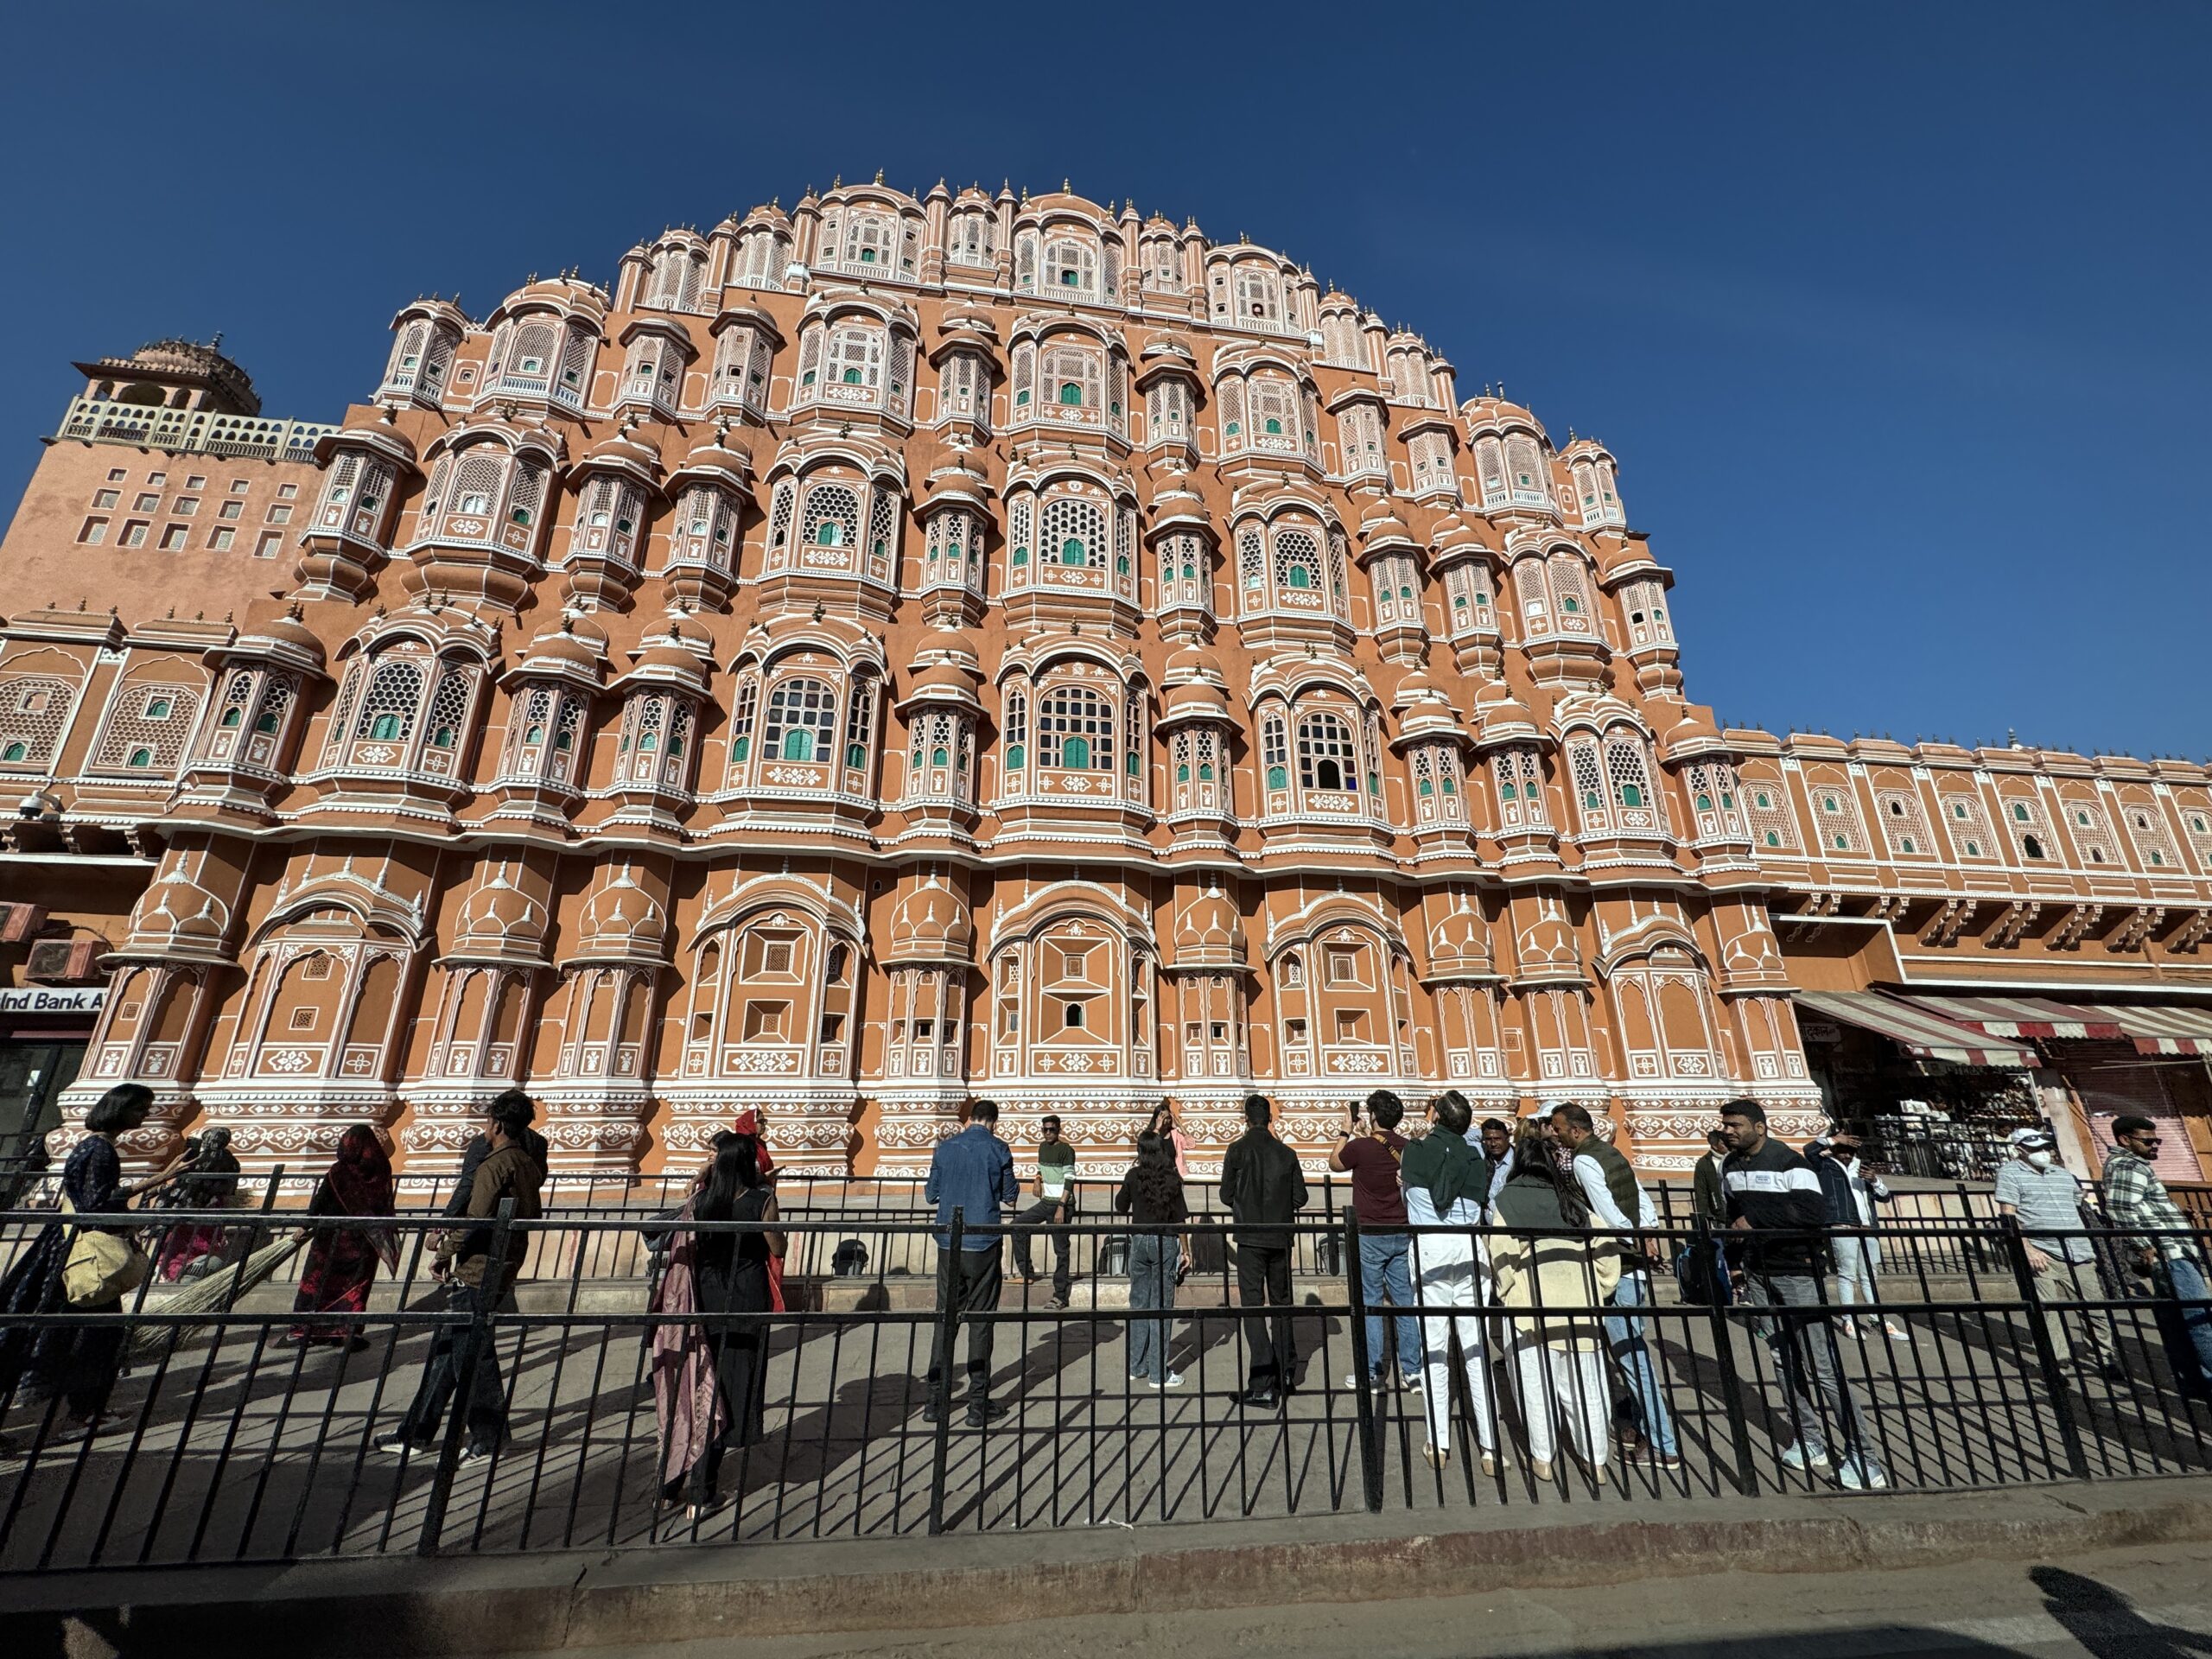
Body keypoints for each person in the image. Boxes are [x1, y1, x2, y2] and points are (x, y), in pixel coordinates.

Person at [1719, 1098, 1885, 1489]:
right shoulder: (1731, 1166)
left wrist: (1755, 1221)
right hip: (1759, 1273)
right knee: (1782, 1360)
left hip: (1797, 1271)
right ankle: (1810, 1439)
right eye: (1725, 1125)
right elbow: (1732, 1215)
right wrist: (1736, 1263)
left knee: (1822, 1366)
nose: (1728, 1131)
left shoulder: (1790, 1163)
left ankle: (1864, 1457)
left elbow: (1813, 1213)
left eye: (1735, 1125)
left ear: (1759, 1127)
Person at [0, 1084, 182, 1437]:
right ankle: (84, 1415)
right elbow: (94, 1206)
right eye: (139, 1109)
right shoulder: (100, 1150)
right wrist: (157, 1180)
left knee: (55, 1333)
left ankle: (85, 1411)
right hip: (80, 1258)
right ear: (119, 1109)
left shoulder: (93, 1146)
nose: (144, 1115)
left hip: (64, 1251)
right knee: (92, 1335)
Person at [378, 1094, 544, 1462]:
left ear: (496, 1124)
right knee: (448, 1350)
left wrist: (443, 1252)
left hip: (478, 1269)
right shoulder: (527, 1162)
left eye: (488, 1122)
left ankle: (490, 1437)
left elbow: (476, 1217)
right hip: (504, 1262)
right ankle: (415, 1432)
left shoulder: (494, 1164)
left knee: (474, 1355)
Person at [652, 1133, 784, 1520]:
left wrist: (700, 1176)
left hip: (703, 1295)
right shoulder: (761, 1200)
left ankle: (668, 1486)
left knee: (694, 1387)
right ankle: (702, 1490)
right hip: (745, 1298)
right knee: (728, 1390)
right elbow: (777, 1247)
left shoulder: (701, 1201)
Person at [1549, 1103, 1680, 1470]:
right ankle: (1639, 1426)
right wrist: (1648, 1233)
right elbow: (1639, 1195)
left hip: (1619, 1266)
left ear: (1576, 1130)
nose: (1556, 1134)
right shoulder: (1613, 1153)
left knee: (1632, 1358)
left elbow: (1607, 1212)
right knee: (1631, 1352)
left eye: (1558, 1128)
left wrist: (1633, 1239)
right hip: (1633, 1264)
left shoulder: (1584, 1161)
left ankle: (1662, 1443)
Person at [1491, 1120, 1615, 1484]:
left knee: (1535, 1384)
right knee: (1585, 1385)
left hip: (1531, 1306)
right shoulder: (1572, 1201)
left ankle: (1543, 1457)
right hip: (1580, 1304)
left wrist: (1508, 1292)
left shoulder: (1508, 1200)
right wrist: (1599, 1288)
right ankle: (1595, 1459)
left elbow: (1502, 1255)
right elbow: (1606, 1248)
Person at [1402, 1090, 1504, 1473]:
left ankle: (1438, 1442)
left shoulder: (1416, 1151)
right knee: (1476, 1348)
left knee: (1434, 1350)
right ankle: (1491, 1447)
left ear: (1437, 1117)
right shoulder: (1476, 1156)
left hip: (1430, 1247)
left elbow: (1410, 1196)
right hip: (1469, 1248)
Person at [1993, 1127, 2120, 1378]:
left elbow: (2077, 1204)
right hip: (2042, 1250)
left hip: (2078, 1249)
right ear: (2020, 1150)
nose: (2043, 1152)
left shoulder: (2062, 1174)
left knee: (2095, 1308)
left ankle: (2105, 1357)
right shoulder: (2009, 1173)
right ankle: (2057, 1361)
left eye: (2044, 1147)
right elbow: (2009, 1215)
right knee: (2047, 1310)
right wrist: (2027, 1249)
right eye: (2035, 1148)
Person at [923, 1097, 1019, 1425]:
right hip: (983, 1244)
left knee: (945, 1319)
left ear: (970, 1118)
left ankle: (935, 1401)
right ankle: (977, 1404)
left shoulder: (945, 1148)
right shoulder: (999, 1148)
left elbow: (930, 1194)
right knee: (980, 1322)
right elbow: (1010, 1196)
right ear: (993, 1121)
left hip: (948, 1244)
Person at [2101, 1115, 2212, 1398]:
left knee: (2177, 1321)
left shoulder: (2131, 1165)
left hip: (2170, 1250)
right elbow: (2121, 1209)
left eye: (2157, 1140)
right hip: (2169, 1252)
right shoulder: (2128, 1165)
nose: (2155, 1145)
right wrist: (2144, 1245)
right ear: (2125, 1140)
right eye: (2148, 1141)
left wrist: (2179, 1215)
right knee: (2199, 1319)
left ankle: (2196, 1383)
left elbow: (2142, 1206)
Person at [1331, 1088, 1421, 1392]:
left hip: (1370, 1233)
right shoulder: (1409, 1148)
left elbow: (1335, 1162)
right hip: (1401, 1231)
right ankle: (1413, 1371)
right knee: (1404, 1301)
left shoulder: (1360, 1148)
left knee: (1370, 1302)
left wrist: (1346, 1131)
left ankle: (1372, 1372)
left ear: (1372, 1116)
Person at [1221, 1093, 1307, 1408]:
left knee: (1253, 1307)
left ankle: (1262, 1383)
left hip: (1250, 1239)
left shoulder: (1237, 1150)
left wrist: (1244, 1203)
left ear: (1246, 1119)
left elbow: (1225, 1195)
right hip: (1280, 1238)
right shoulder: (1287, 1153)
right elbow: (1300, 1197)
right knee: (1282, 1304)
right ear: (1270, 1119)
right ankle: (1286, 1373)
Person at [289, 1124, 397, 1349]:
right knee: (356, 1286)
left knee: (319, 1284)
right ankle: (347, 1331)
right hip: (364, 1240)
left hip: (330, 1239)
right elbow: (384, 1204)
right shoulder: (380, 1170)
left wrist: (305, 1226)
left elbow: (320, 1200)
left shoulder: (339, 1171)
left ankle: (307, 1329)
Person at [1808, 1131, 1906, 1340]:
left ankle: (1876, 1318)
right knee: (1847, 1274)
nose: (1846, 1154)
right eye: (1842, 1150)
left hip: (1868, 1226)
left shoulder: (1862, 1168)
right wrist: (1834, 1139)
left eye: (1850, 1151)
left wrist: (1875, 1180)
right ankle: (1848, 1319)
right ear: (1834, 1149)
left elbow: (1885, 1197)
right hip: (1842, 1224)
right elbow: (1809, 1150)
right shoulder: (1825, 1165)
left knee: (1869, 1275)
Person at [1114, 1131, 1192, 1389]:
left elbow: (1120, 1206)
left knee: (1139, 1304)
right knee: (1161, 1307)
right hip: (1164, 1242)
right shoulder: (1171, 1178)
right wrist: (1186, 1251)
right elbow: (1180, 1219)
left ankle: (1137, 1365)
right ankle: (1159, 1373)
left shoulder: (1133, 1176)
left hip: (1139, 1241)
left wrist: (1131, 1176)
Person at [151, 1126, 243, 1281]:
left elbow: (183, 1184)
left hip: (187, 1209)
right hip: (213, 1208)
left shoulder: (200, 1159)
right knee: (204, 1241)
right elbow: (230, 1188)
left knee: (179, 1245)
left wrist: (162, 1190)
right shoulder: (231, 1161)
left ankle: (174, 1273)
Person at [442, 1088, 550, 1217]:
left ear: (497, 1124)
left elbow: (468, 1186)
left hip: (489, 1220)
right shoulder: (536, 1144)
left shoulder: (488, 1150)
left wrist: (447, 1220)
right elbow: (538, 1180)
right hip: (522, 1219)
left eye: (489, 1122)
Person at [1012, 1114, 1075, 1309]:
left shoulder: (1066, 1150)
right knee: (1017, 1226)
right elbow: (1040, 1168)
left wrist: (1061, 1206)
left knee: (1061, 1250)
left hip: (1061, 1205)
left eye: (1052, 1130)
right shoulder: (1042, 1147)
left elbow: (1070, 1179)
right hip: (1046, 1202)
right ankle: (1027, 1273)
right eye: (1045, 1130)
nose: (1048, 1133)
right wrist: (1037, 1179)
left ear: (1059, 1130)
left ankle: (1060, 1295)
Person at [1478, 1117, 1516, 1222]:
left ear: (1507, 1138)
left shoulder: (1519, 1162)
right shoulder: (1483, 1162)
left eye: (1497, 1139)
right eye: (1488, 1139)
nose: (1493, 1144)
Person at [1691, 1128, 1732, 1224]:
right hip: (1719, 1213)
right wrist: (1702, 1217)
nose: (1727, 1146)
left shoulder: (1735, 1158)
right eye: (1723, 1144)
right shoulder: (1704, 1164)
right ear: (1714, 1146)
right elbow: (1701, 1192)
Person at [1147, 1104, 1192, 1180]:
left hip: (1174, 1176)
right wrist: (1157, 1128)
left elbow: (1191, 1145)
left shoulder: (1175, 1135)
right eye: (1163, 1118)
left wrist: (1180, 1125)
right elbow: (1148, 1148)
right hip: (1156, 1177)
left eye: (1168, 1118)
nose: (1166, 1121)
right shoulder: (1150, 1134)